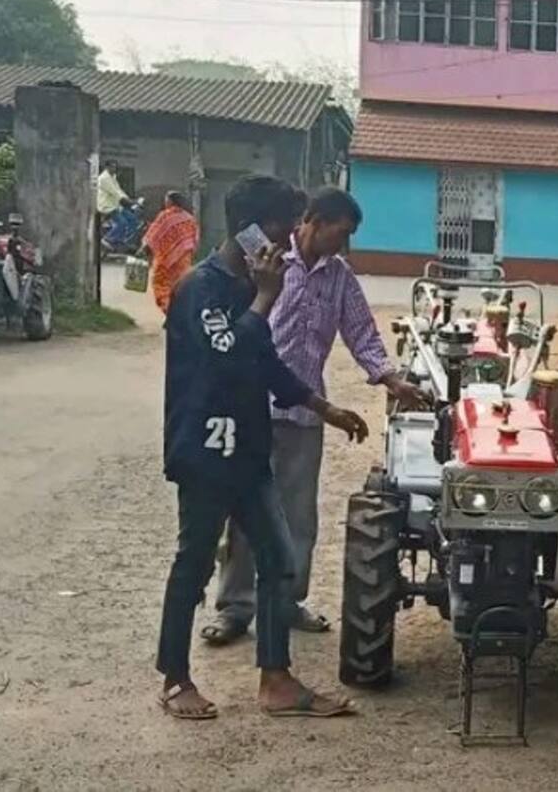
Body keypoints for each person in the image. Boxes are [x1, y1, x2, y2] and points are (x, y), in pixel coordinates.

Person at [154, 174, 368, 722]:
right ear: (249, 230)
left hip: (248, 452)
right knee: (194, 563)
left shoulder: (245, 285)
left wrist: (324, 408)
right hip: (205, 453)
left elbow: (266, 363)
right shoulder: (201, 288)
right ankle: (176, 679)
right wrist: (269, 295)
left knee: (275, 560)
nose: (283, 240)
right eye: (278, 228)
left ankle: (276, 678)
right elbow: (226, 358)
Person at [207, 187, 425, 644]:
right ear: (313, 220)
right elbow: (236, 228)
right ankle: (235, 607)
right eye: (340, 233)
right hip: (253, 406)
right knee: (245, 512)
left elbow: (361, 332)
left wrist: (391, 379)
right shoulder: (263, 257)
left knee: (297, 516)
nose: (343, 245)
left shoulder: (339, 277)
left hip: (305, 415)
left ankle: (286, 601)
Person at [141, 191, 200, 314]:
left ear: (171, 201)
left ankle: (170, 312)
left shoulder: (165, 216)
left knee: (161, 285)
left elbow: (153, 234)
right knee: (180, 288)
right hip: (184, 261)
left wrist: (145, 247)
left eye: (166, 200)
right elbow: (195, 239)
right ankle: (181, 313)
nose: (165, 202)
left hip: (165, 260)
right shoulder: (189, 218)